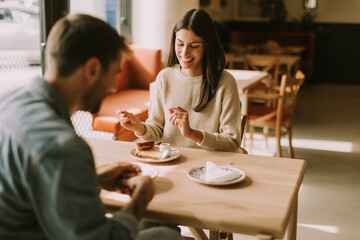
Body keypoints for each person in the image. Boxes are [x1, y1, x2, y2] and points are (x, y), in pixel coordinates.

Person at [0, 14, 182, 240]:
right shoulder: (63, 147)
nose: (114, 87)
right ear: (93, 69)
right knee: (166, 235)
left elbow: (30, 184)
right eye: (115, 73)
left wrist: (93, 178)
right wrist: (141, 199)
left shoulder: (7, 102)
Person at [118, 9, 242, 152]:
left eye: (194, 46)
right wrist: (140, 127)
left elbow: (232, 142)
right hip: (171, 162)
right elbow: (157, 131)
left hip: (209, 168)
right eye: (180, 44)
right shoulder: (164, 78)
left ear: (208, 46)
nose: (184, 53)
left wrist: (191, 133)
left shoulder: (225, 82)